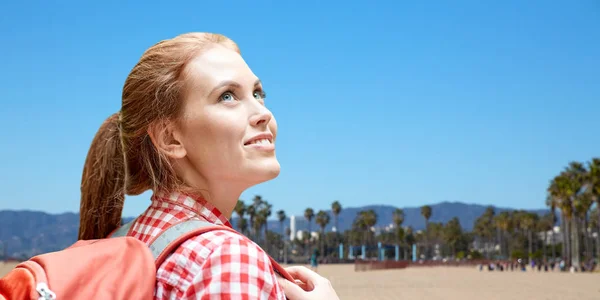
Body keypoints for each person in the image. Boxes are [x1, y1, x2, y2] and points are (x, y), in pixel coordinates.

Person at [78, 32, 339, 300]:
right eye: (227, 96)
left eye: (258, 94)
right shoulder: (227, 260)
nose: (264, 113)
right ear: (170, 138)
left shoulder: (123, 240)